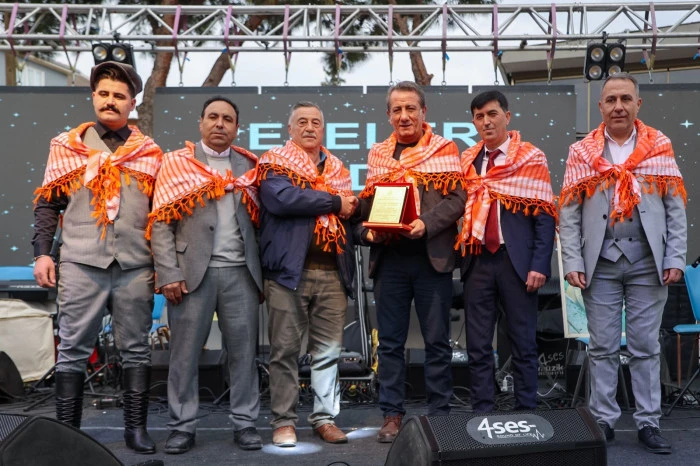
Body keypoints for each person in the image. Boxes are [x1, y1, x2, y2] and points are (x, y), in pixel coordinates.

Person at [32, 61, 162, 454]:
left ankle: (135, 431)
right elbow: (47, 205)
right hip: (81, 262)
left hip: (135, 266)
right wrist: (42, 254)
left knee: (136, 350)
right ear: (93, 97)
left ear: (132, 103)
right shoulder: (66, 147)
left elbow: (160, 215)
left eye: (119, 96)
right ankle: (66, 437)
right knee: (72, 350)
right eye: (103, 93)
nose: (110, 101)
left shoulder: (150, 153)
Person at [559, 73, 687, 454]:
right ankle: (603, 421)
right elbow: (568, 212)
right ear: (600, 106)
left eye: (625, 99)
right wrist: (572, 260)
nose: (618, 106)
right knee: (602, 347)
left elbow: (675, 207)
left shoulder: (659, 146)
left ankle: (648, 422)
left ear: (637, 104)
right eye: (611, 99)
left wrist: (675, 257)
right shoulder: (581, 152)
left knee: (646, 345)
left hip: (648, 262)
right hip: (600, 263)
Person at [148, 96, 263, 454]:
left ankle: (245, 423)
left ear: (237, 128)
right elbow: (161, 223)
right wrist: (168, 273)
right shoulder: (177, 163)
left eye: (227, 119)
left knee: (244, 355)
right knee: (184, 356)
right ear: (200, 123)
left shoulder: (250, 166)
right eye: (213, 117)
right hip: (190, 275)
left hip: (241, 273)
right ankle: (182, 426)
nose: (219, 124)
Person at [358, 81, 466, 443]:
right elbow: (369, 204)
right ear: (388, 115)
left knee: (437, 342)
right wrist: (369, 228)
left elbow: (457, 200)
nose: (404, 116)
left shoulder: (445, 149)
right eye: (397, 110)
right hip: (390, 261)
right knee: (390, 343)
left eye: (410, 108)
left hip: (432, 260)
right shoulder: (379, 154)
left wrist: (427, 223)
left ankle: (440, 416)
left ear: (424, 112)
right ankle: (391, 415)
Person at [258, 101, 358, 447]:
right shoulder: (274, 163)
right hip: (288, 274)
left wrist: (373, 228)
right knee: (284, 351)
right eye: (302, 122)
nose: (310, 127)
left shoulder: (338, 169)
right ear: (290, 129)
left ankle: (324, 418)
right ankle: (284, 421)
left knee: (328, 352)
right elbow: (284, 201)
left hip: (332, 273)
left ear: (323, 129)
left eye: (316, 122)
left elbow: (350, 217)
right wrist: (334, 202)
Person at [456, 90, 556, 414]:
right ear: (474, 122)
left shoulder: (530, 157)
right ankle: (482, 412)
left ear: (507, 117)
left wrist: (540, 264)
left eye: (492, 114)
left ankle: (526, 412)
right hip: (477, 260)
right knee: (478, 345)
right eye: (479, 116)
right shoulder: (468, 160)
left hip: (518, 262)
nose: (486, 121)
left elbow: (545, 215)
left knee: (523, 342)